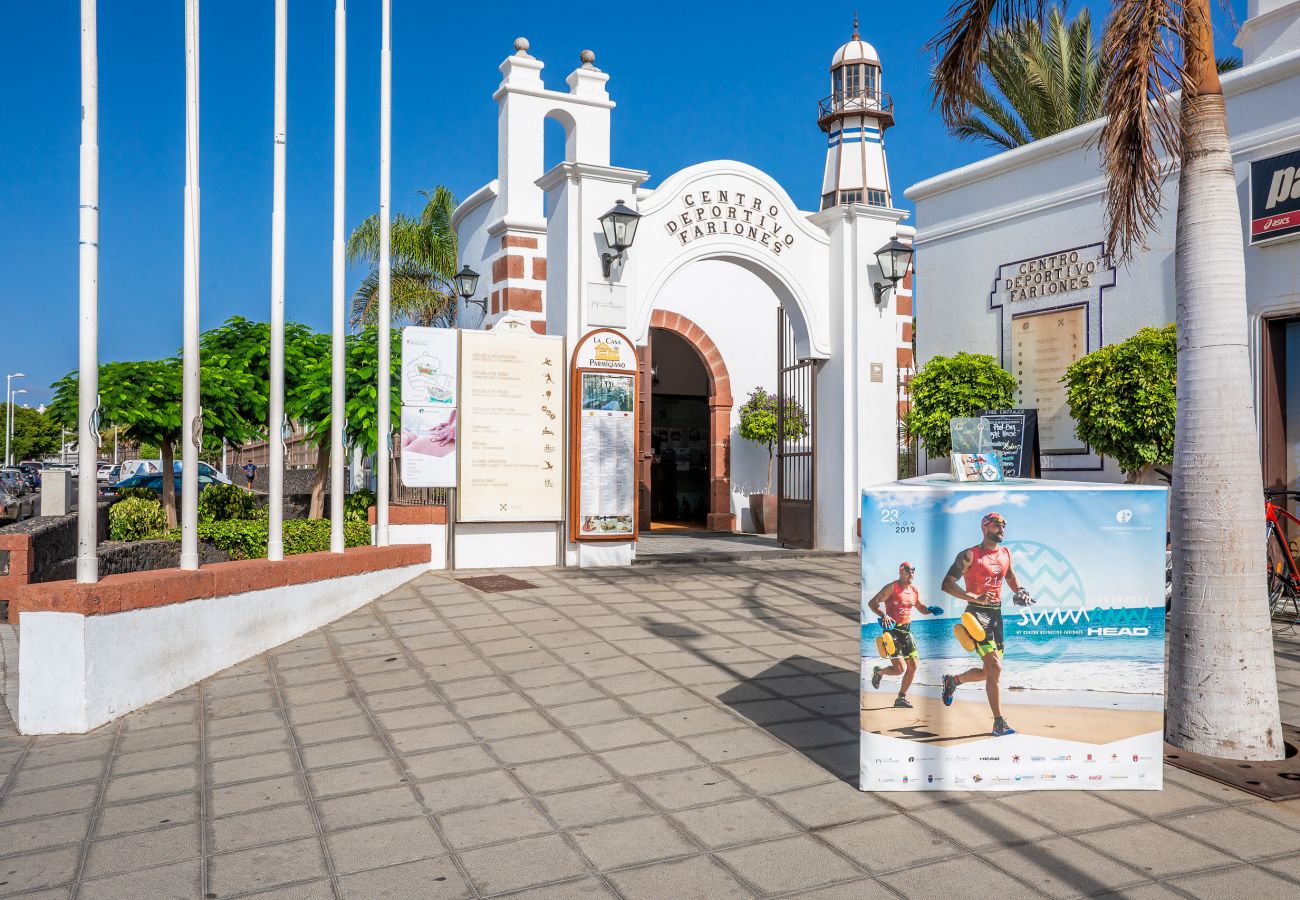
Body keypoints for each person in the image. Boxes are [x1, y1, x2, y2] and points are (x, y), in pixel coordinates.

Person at [939, 511, 1034, 736]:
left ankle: (953, 681)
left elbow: (1010, 577)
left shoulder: (1005, 553)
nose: (1002, 528)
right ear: (985, 527)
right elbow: (947, 584)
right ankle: (998, 722)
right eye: (997, 524)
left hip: (996, 616)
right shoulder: (969, 555)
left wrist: (1020, 591)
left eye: (1004, 525)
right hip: (976, 614)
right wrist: (974, 597)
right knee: (995, 667)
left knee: (988, 672)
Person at [865, 562, 943, 708]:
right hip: (892, 631)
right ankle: (879, 672)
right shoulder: (892, 587)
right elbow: (872, 603)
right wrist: (883, 615)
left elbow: (921, 608)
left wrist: (930, 609)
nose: (911, 575)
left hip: (907, 632)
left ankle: (901, 698)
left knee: (913, 666)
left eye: (913, 572)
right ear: (901, 572)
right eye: (908, 572)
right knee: (899, 669)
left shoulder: (914, 590)